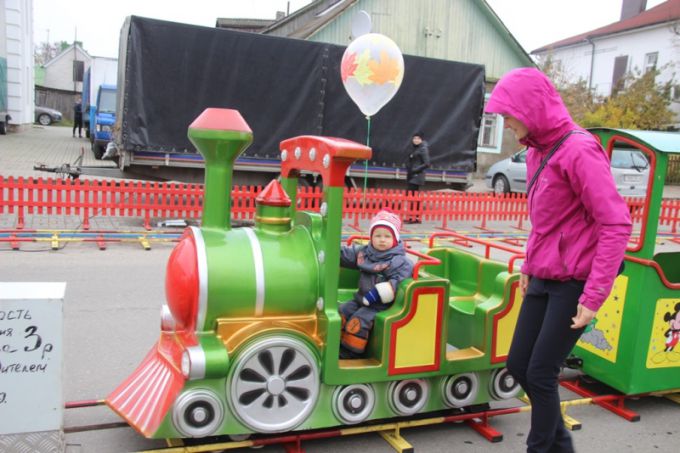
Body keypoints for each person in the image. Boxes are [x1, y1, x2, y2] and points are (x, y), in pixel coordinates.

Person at [485, 67, 632, 453]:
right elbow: (546, 223)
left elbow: (616, 223)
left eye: (508, 114)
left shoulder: (579, 150)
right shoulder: (537, 150)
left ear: (529, 108)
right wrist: (528, 266)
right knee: (519, 366)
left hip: (577, 281)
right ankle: (561, 447)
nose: (505, 123)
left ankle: (540, 449)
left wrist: (594, 295)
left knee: (541, 372)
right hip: (544, 274)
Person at [338, 209, 413, 359]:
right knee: (342, 311)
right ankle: (337, 341)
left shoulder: (399, 261)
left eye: (387, 236)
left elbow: (397, 282)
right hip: (360, 299)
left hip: (380, 305)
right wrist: (333, 250)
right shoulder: (365, 252)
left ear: (395, 238)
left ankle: (351, 352)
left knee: (359, 321)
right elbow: (347, 254)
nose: (382, 240)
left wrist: (374, 295)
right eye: (377, 235)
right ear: (371, 237)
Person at [405, 131, 430, 223]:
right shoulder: (415, 148)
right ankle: (413, 217)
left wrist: (415, 170)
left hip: (417, 176)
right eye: (414, 138)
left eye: (418, 138)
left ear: (421, 139)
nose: (416, 140)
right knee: (411, 196)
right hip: (412, 175)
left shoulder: (423, 149)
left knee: (413, 197)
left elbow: (427, 163)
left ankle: (414, 218)